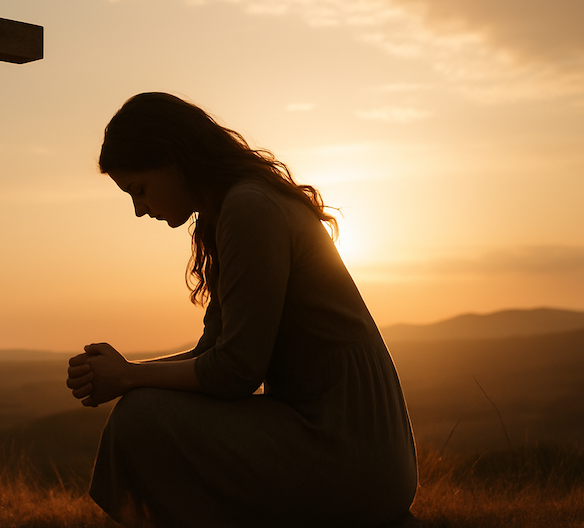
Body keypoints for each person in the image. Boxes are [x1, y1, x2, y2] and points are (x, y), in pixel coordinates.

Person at [66, 92, 418, 528]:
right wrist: (125, 374)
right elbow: (211, 355)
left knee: (141, 418)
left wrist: (130, 377)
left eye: (139, 189)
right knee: (143, 406)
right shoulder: (234, 209)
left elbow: (235, 371)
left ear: (173, 159)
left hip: (346, 446)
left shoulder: (250, 208)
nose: (139, 209)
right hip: (339, 438)